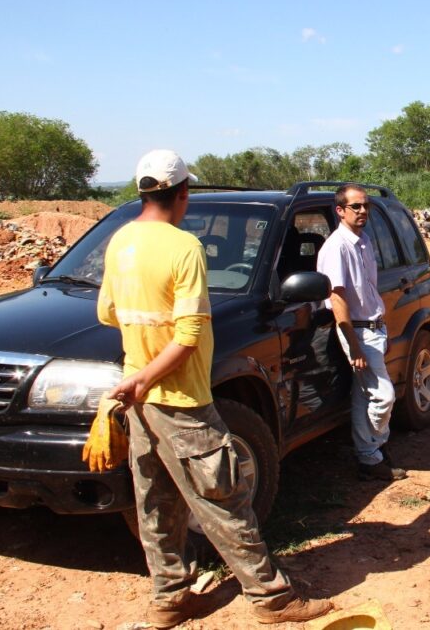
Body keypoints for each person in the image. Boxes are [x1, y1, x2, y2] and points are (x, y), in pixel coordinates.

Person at [98, 149, 333, 628]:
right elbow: (187, 337)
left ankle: (170, 597)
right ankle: (271, 598)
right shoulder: (184, 248)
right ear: (182, 193)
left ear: (143, 192)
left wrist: (138, 372)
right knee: (224, 497)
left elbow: (106, 312)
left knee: (156, 500)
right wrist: (149, 375)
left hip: (140, 402)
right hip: (180, 399)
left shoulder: (120, 240)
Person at [316, 184, 406, 481]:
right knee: (383, 396)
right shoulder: (336, 247)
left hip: (373, 327)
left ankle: (370, 454)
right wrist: (353, 346)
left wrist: (384, 328)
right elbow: (337, 298)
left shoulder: (364, 240)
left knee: (364, 396)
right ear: (340, 211)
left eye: (365, 205)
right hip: (356, 331)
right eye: (356, 206)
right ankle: (374, 449)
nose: (363, 211)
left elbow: (369, 291)